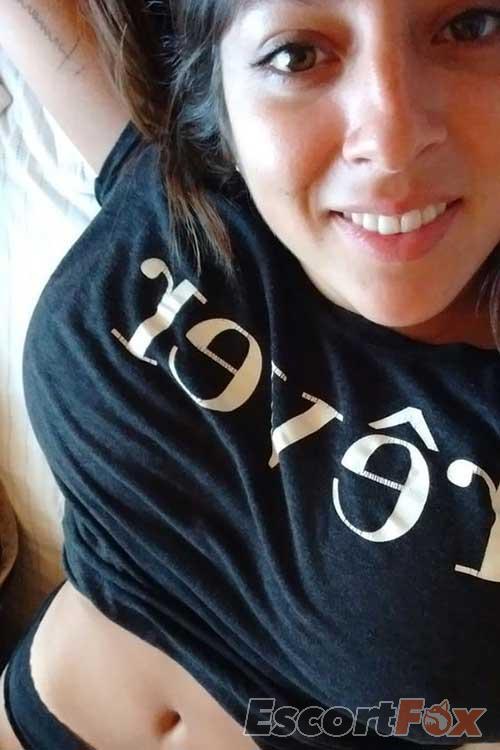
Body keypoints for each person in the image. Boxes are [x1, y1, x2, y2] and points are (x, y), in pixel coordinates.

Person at [1, 0, 500, 748]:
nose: (391, 141)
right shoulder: (191, 193)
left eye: (471, 27)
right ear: (220, 95)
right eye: (296, 54)